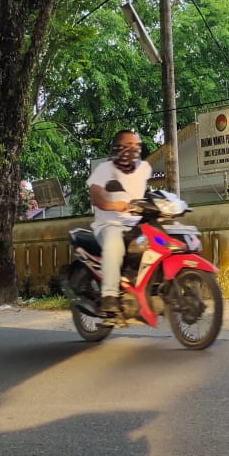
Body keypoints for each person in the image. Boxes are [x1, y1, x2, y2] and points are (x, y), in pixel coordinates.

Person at [87, 130, 153, 320]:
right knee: (114, 244)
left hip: (135, 223)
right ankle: (109, 296)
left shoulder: (144, 168)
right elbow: (96, 196)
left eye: (136, 146)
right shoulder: (104, 170)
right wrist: (112, 205)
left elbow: (147, 193)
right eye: (128, 145)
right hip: (110, 223)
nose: (133, 149)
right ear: (117, 148)